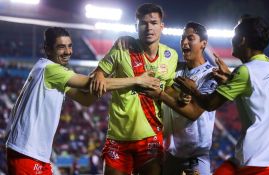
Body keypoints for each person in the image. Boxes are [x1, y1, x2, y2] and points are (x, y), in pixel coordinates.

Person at [5, 27, 159, 175]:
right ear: (48, 49)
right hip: (26, 152)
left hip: (35, 153)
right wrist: (138, 80)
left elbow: (86, 99)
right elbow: (91, 83)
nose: (67, 52)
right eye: (61, 47)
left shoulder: (46, 70)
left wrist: (110, 75)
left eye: (70, 46)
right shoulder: (51, 69)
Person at [171, 16, 269, 174]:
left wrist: (193, 89)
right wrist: (229, 78)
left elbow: (209, 104)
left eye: (234, 35)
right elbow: (255, 93)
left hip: (258, 159)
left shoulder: (245, 71)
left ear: (242, 40)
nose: (231, 40)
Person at [90, 3, 178, 175]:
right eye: (143, 23)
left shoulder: (171, 56)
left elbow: (169, 89)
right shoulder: (122, 47)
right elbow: (98, 75)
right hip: (118, 137)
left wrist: (180, 96)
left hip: (151, 134)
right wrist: (100, 74)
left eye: (153, 22)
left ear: (162, 26)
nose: (149, 27)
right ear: (136, 26)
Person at [160, 22, 217, 175]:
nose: (184, 42)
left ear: (203, 44)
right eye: (182, 38)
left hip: (195, 158)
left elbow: (193, 113)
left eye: (190, 38)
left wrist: (160, 94)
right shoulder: (175, 70)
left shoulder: (211, 75)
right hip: (170, 155)